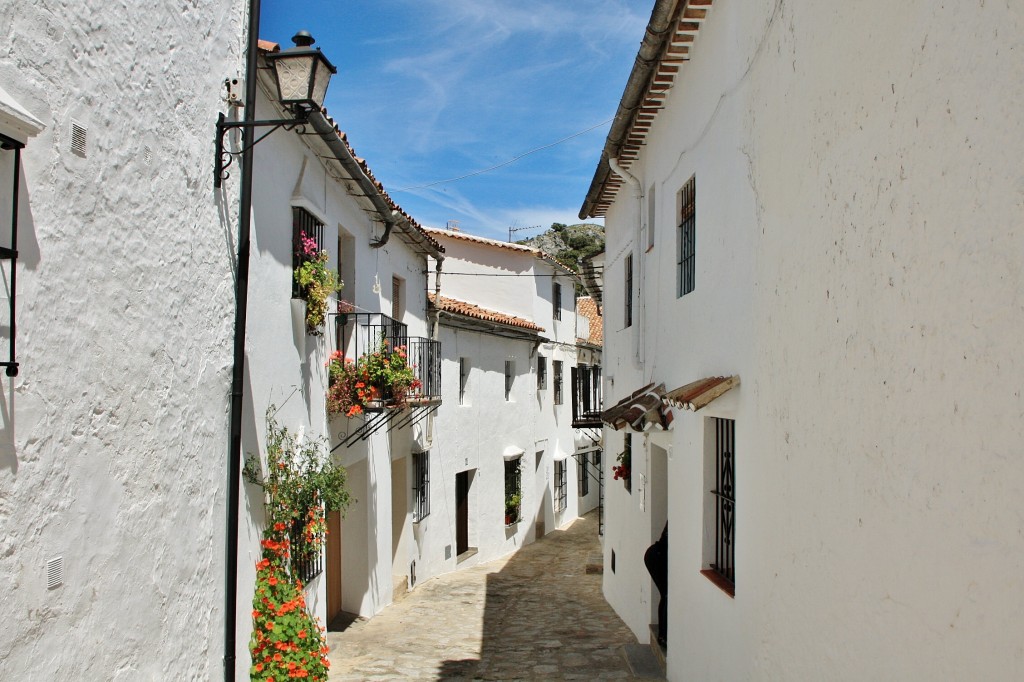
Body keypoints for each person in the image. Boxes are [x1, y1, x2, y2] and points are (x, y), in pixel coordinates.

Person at [644, 522, 668, 647]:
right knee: (666, 595)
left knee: (665, 595)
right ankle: (663, 636)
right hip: (656, 556)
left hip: (656, 555)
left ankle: (663, 635)